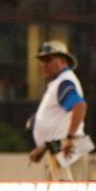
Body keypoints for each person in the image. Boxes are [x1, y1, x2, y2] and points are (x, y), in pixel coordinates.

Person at [29, 41, 89, 181]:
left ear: (62, 61)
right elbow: (58, 123)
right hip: (61, 145)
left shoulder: (64, 81)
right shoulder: (58, 82)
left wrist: (69, 139)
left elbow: (80, 106)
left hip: (67, 147)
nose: (43, 64)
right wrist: (43, 147)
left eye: (48, 60)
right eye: (42, 60)